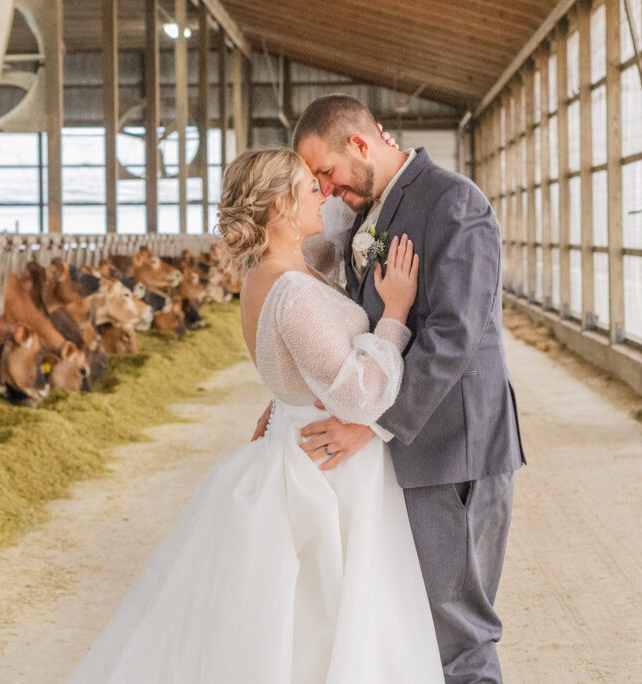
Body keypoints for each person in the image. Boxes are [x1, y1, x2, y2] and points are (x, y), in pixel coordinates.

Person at [70, 147, 443, 683]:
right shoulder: (291, 289)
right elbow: (359, 396)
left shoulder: (284, 271)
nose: (322, 191)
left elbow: (330, 249)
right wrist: (398, 311)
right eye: (309, 186)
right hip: (326, 465)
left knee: (311, 622)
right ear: (279, 207)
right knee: (326, 620)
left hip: (301, 440)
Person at [285, 94, 525, 684]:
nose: (324, 189)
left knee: (457, 633)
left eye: (325, 172)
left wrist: (371, 422)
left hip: (454, 448)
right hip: (415, 452)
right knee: (418, 626)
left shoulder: (454, 202)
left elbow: (454, 333)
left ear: (361, 145)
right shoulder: (371, 210)